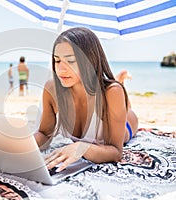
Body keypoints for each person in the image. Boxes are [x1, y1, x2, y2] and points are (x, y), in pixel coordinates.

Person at [34, 27, 138, 173]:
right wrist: (25, 144)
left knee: (121, 102)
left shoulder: (112, 93)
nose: (61, 69)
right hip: (108, 99)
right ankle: (119, 80)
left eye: (70, 61)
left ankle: (120, 82)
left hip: (128, 123)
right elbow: (44, 134)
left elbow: (116, 152)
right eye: (57, 61)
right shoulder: (51, 89)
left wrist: (81, 147)